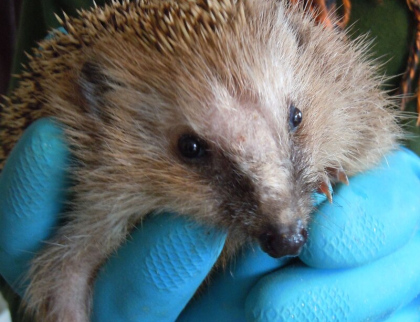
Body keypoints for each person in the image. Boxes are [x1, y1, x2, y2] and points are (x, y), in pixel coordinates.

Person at [1, 1, 420, 321]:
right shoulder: (92, 118)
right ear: (102, 108)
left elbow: (370, 129)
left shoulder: (327, 74)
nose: (284, 219)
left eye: (294, 120)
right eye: (194, 150)